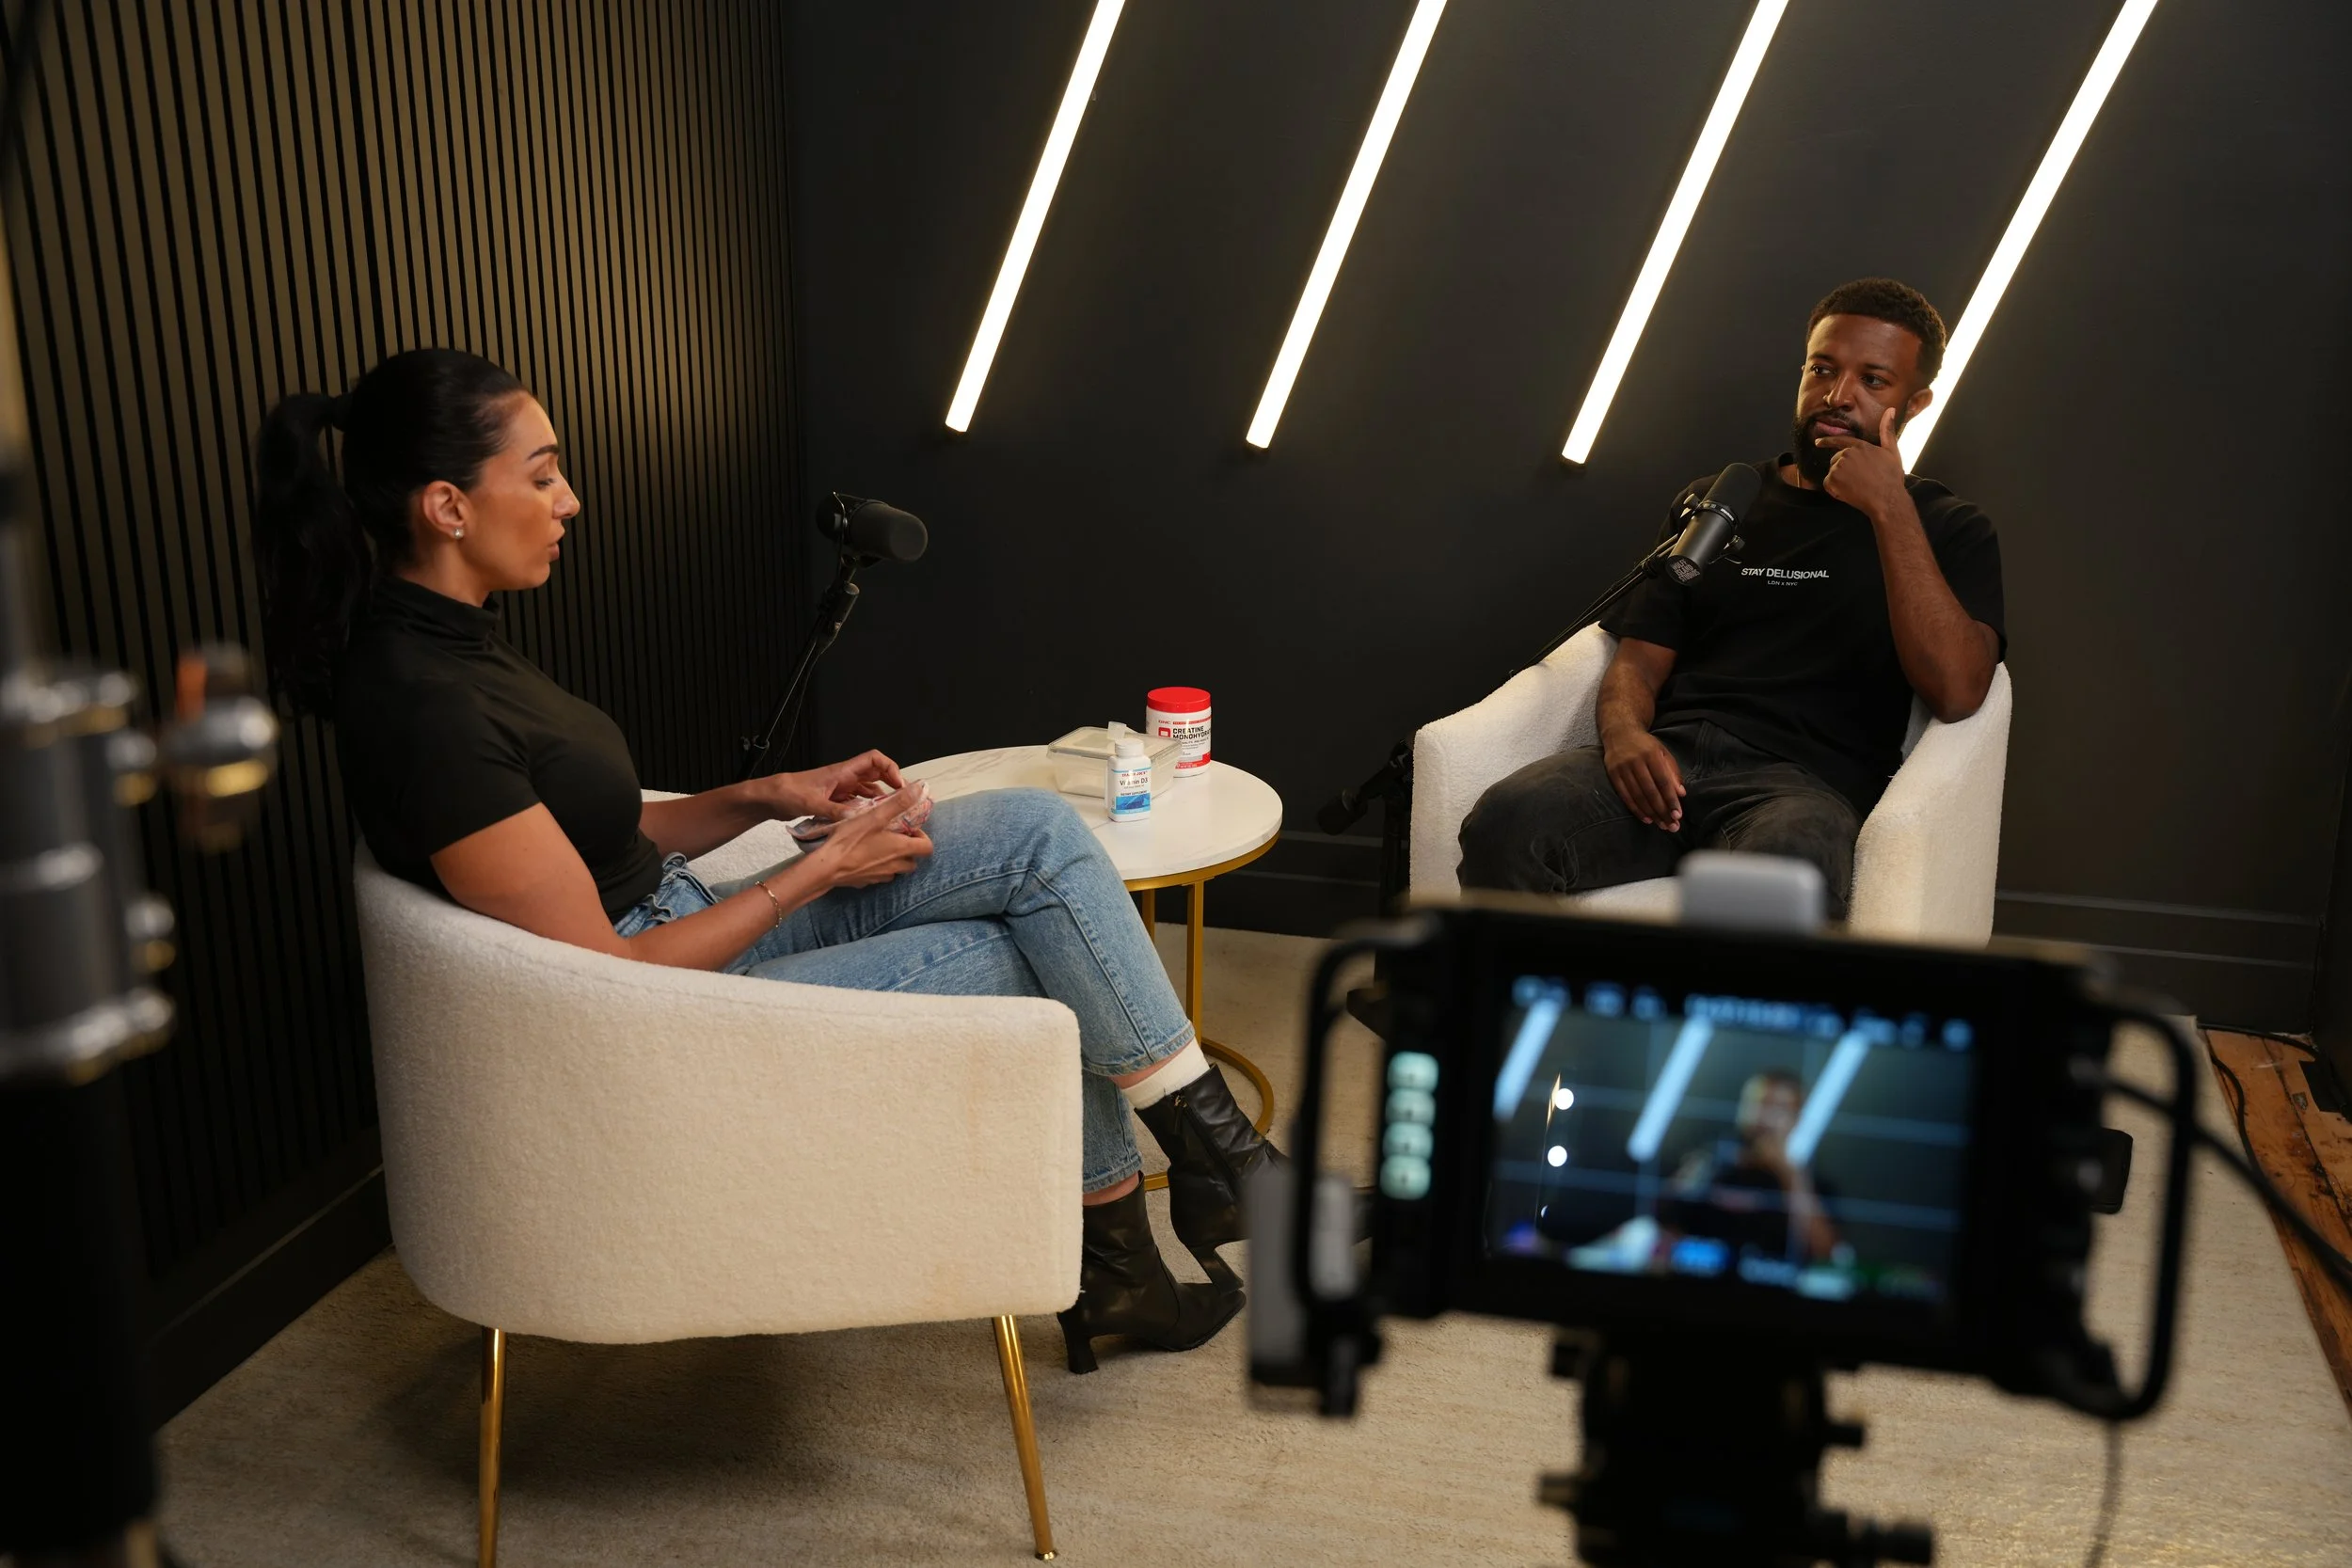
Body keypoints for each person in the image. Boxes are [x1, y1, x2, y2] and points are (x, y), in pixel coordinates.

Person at [250, 348, 1276, 1375]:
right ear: (447, 505)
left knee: (1035, 833)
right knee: (1030, 957)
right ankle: (1145, 1249)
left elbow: (594, 842)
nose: (569, 499)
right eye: (543, 472)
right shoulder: (425, 706)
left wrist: (769, 795)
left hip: (685, 921)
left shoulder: (456, 643)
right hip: (667, 1008)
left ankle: (1206, 1170)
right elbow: (612, 975)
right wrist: (818, 870)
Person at [1457, 278, 2005, 919]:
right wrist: (1626, 735)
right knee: (1506, 819)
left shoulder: (1948, 526)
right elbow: (1636, 659)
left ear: (1914, 403)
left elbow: (1959, 689)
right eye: (1822, 369)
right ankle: (1518, 1016)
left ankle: (1699, 1022)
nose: (1836, 396)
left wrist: (1891, 509)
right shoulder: (1722, 502)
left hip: (1801, 786)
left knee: (1779, 875)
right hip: (1669, 761)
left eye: (1872, 381)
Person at [1656, 1071, 1841, 1266]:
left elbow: (1825, 1252)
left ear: (1797, 1118)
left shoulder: (1810, 1183)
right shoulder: (1708, 1161)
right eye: (1760, 1103)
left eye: (1780, 1108)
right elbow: (1663, 1220)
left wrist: (1789, 1174)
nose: (1766, 1116)